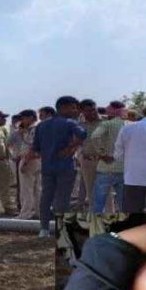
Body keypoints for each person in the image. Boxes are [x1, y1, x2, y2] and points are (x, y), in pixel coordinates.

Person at [32, 96, 86, 237]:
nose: (75, 111)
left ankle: (44, 229)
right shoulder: (70, 123)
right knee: (63, 198)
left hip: (47, 167)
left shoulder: (41, 125)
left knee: (46, 197)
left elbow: (36, 147)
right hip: (65, 166)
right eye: (73, 107)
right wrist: (71, 147)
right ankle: (61, 229)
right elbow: (83, 134)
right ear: (63, 108)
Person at [91, 101, 128, 213]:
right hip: (124, 168)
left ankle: (96, 227)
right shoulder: (129, 125)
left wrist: (102, 153)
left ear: (113, 109)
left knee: (98, 203)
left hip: (106, 167)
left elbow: (94, 137)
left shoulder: (107, 124)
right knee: (123, 203)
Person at [14, 110, 41, 219]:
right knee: (37, 188)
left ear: (30, 117)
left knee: (26, 189)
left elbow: (32, 147)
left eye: (23, 118)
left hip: (29, 160)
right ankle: (37, 212)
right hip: (38, 160)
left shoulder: (32, 130)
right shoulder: (38, 128)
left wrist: (25, 161)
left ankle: (25, 213)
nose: (22, 121)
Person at [76, 99, 103, 211]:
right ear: (82, 112)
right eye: (88, 111)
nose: (92, 113)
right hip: (87, 161)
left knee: (106, 192)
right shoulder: (80, 125)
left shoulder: (106, 122)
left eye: (94, 109)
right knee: (91, 191)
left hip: (104, 161)